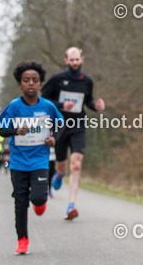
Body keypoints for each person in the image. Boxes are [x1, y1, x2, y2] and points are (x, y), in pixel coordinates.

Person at [0, 61, 64, 255]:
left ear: (41, 83)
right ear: (20, 84)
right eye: (26, 80)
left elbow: (60, 126)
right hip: (18, 162)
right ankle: (22, 240)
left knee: (37, 197)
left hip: (40, 161)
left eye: (35, 80)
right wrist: (16, 130)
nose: (31, 84)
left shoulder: (48, 106)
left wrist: (53, 138)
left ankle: (40, 202)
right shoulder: (14, 107)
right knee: (20, 202)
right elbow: (2, 130)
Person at [41, 46, 105, 220]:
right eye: (72, 60)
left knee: (76, 164)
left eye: (78, 59)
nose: (75, 62)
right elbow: (43, 98)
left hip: (78, 125)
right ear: (66, 61)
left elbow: (89, 101)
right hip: (60, 126)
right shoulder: (57, 79)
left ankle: (71, 205)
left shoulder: (87, 81)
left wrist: (96, 106)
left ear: (82, 60)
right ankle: (60, 174)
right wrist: (61, 105)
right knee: (61, 165)